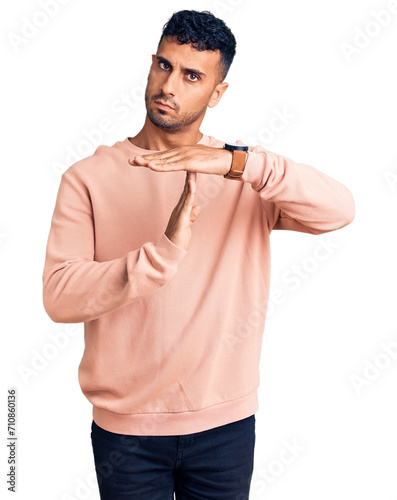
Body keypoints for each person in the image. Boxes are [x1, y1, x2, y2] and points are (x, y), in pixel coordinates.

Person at [42, 9, 355, 500]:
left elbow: (339, 210)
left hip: (224, 427)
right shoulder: (87, 178)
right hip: (127, 433)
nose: (170, 85)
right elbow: (60, 298)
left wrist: (237, 162)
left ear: (217, 93)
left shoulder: (244, 176)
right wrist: (164, 253)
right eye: (164, 66)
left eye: (192, 76)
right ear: (150, 65)